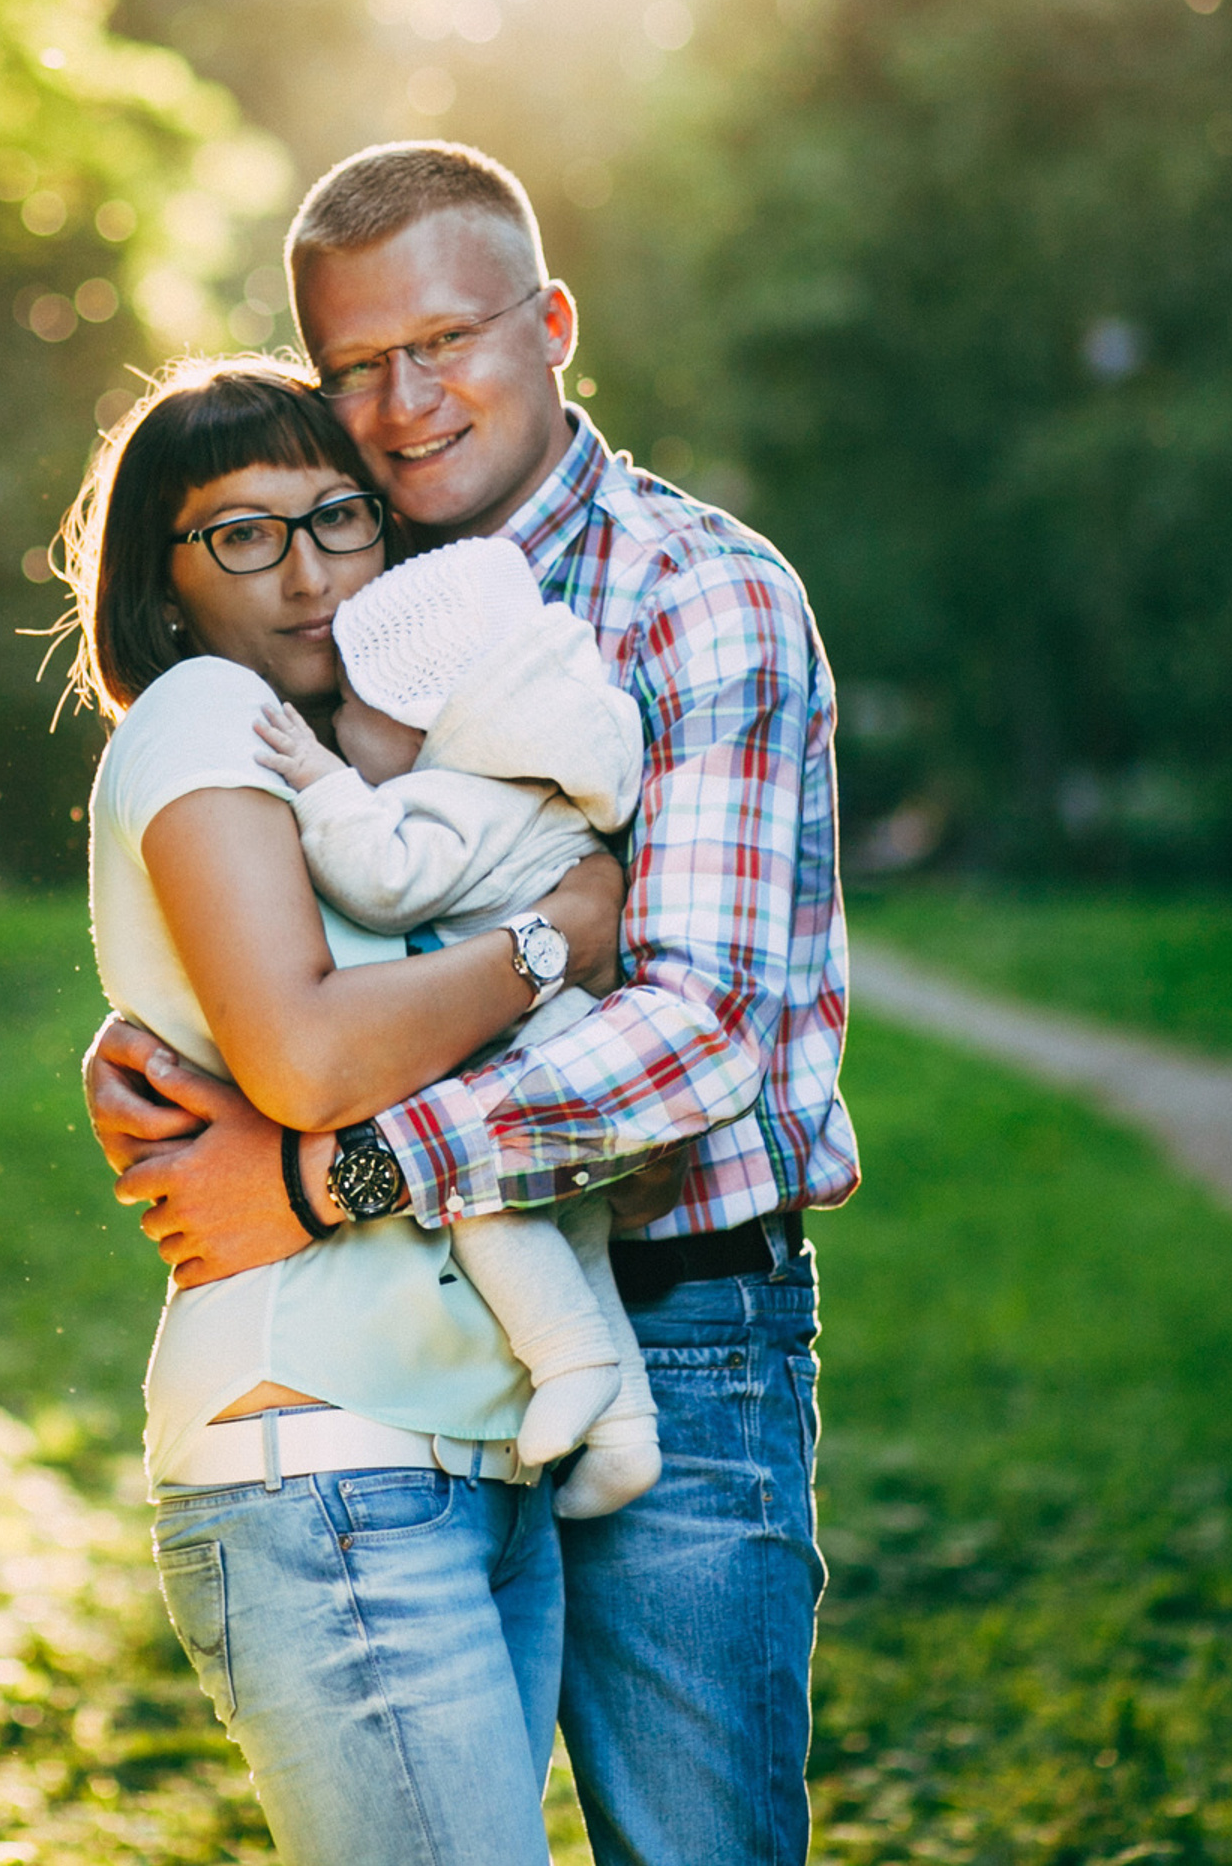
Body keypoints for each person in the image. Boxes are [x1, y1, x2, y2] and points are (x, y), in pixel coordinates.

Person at [87, 140, 857, 1866]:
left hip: (677, 1325)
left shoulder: (695, 594)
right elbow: (289, 916)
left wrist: (328, 1173)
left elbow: (704, 1030)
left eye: (448, 341)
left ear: (555, 321)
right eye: (357, 362)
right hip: (412, 1361)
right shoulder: (339, 596)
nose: (407, 402)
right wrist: (165, 1037)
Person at [63, 356, 661, 1866]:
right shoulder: (208, 709)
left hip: (468, 1462)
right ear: (162, 585)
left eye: (336, 517)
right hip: (322, 1461)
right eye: (243, 535)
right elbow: (315, 1064)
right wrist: (550, 944)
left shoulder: (363, 766)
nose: (310, 571)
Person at [252, 531, 661, 1520]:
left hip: (531, 1054)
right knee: (575, 1245)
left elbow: (387, 882)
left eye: (352, 705)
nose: (339, 720)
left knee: (479, 1198)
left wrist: (316, 783)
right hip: (575, 1042)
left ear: (420, 718)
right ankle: (626, 1433)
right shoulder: (532, 782)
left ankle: (565, 1363)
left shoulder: (461, 796)